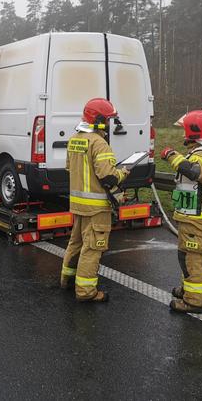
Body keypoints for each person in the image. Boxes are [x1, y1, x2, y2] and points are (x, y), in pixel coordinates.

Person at [60, 98, 130, 303]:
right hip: (97, 208)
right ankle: (86, 292)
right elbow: (108, 177)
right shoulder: (99, 143)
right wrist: (123, 173)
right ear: (99, 120)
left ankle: (67, 280)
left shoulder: (75, 139)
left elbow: (69, 168)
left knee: (75, 243)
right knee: (92, 248)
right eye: (108, 120)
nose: (110, 124)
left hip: (78, 204)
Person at [160, 110, 202, 314]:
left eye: (185, 130)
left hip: (196, 217)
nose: (183, 135)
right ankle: (189, 291)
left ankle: (195, 301)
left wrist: (172, 156)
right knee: (186, 255)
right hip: (197, 215)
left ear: (194, 132)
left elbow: (195, 172)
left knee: (191, 257)